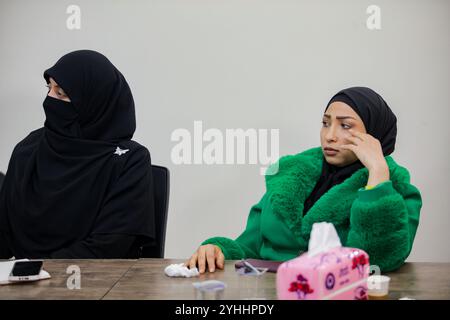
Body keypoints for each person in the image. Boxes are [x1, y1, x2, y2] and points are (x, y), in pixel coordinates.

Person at [187, 86, 422, 273]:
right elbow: (249, 247)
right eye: (325, 123)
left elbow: (380, 261)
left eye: (345, 126)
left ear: (374, 134)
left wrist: (378, 177)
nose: (330, 136)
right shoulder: (288, 177)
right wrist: (217, 248)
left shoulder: (395, 188)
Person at [0, 50, 155, 259]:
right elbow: (4, 234)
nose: (49, 99)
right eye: (49, 88)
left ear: (94, 100)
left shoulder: (129, 159)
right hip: (19, 283)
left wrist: (42, 272)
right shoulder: (29, 149)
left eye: (61, 93)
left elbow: (110, 246)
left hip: (96, 286)